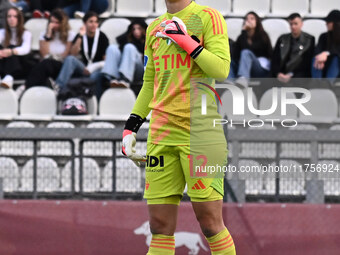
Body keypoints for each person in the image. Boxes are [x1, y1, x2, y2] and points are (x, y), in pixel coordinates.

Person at [121, 1, 236, 255]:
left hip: (201, 133)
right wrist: (131, 127)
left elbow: (221, 69)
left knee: (209, 224)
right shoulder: (153, 28)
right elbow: (150, 82)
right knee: (159, 226)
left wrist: (187, 42)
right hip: (161, 134)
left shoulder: (209, 17)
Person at [54, 11, 109, 99]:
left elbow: (106, 60)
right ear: (85, 23)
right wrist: (80, 36)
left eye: (96, 22)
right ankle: (58, 87)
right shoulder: (80, 36)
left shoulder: (102, 37)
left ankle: (95, 101)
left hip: (97, 68)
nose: (94, 24)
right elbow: (73, 53)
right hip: (84, 67)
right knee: (70, 59)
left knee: (94, 76)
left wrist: (93, 67)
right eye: (91, 21)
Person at [24, 8, 74, 90]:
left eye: (56, 23)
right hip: (47, 64)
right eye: (52, 22)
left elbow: (65, 54)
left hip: (61, 65)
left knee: (45, 65)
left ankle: (26, 87)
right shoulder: (44, 34)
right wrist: (48, 35)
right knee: (40, 65)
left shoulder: (70, 34)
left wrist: (52, 57)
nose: (53, 25)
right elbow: (44, 54)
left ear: (62, 23)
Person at [101, 19, 147, 90]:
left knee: (129, 47)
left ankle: (125, 79)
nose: (136, 31)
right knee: (112, 47)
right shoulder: (126, 39)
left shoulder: (149, 40)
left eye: (139, 29)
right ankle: (112, 78)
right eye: (134, 29)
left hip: (141, 70)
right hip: (124, 68)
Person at [271, 13, 315, 83]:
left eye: (295, 24)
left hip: (298, 74)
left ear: (301, 24)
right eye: (291, 24)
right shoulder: (282, 39)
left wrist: (291, 74)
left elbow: (306, 62)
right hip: (281, 73)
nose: (293, 26)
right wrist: (278, 73)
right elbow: (275, 58)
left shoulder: (309, 40)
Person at [234, 11, 272, 87]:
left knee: (246, 52)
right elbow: (236, 55)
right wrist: (244, 33)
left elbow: (250, 50)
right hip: (243, 67)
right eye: (247, 19)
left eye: (252, 19)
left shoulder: (263, 36)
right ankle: (229, 81)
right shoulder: (241, 37)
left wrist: (244, 31)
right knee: (231, 62)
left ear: (257, 22)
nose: (248, 21)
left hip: (259, 69)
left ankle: (243, 78)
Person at [0, 7, 32, 89]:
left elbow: (26, 49)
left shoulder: (26, 33)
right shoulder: (2, 32)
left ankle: (9, 77)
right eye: (9, 16)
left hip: (21, 66)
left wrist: (11, 51)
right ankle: (6, 77)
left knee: (11, 47)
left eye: (15, 16)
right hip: (6, 64)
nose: (11, 19)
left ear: (19, 19)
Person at [312, 10, 340, 80]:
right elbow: (317, 49)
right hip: (323, 65)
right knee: (316, 58)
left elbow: (337, 51)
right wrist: (320, 57)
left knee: (336, 59)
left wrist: (326, 53)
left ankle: (328, 84)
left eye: (328, 22)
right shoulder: (323, 36)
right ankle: (317, 83)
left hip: (336, 68)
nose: (326, 24)